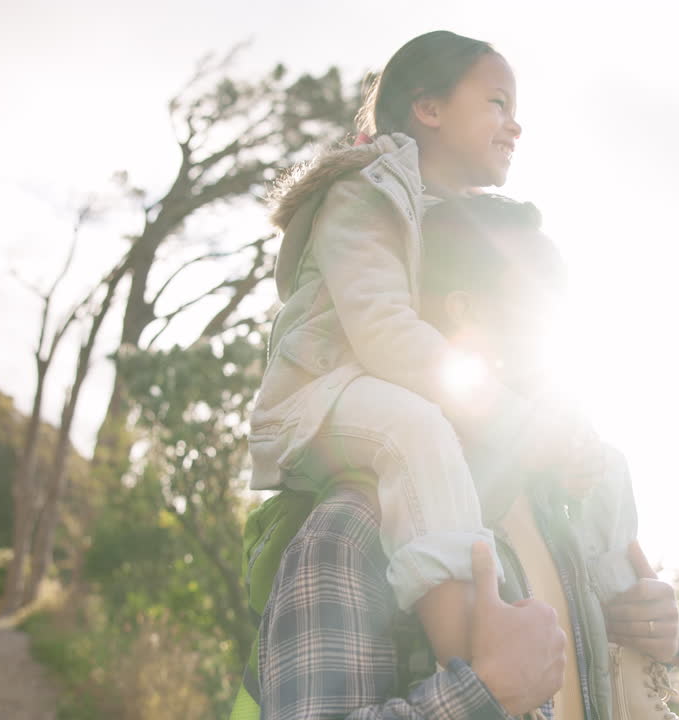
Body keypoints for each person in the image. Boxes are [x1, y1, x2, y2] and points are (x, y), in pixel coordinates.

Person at [256, 195, 679, 720]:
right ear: (466, 311)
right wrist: (484, 694)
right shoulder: (353, 527)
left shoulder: (562, 509)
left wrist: (663, 633)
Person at [246, 30, 594, 671]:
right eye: (495, 101)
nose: (514, 125)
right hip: (323, 400)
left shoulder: (462, 220)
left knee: (560, 443)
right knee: (417, 430)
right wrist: (512, 416)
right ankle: (469, 652)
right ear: (428, 108)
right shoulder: (364, 191)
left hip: (391, 394)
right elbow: (385, 334)